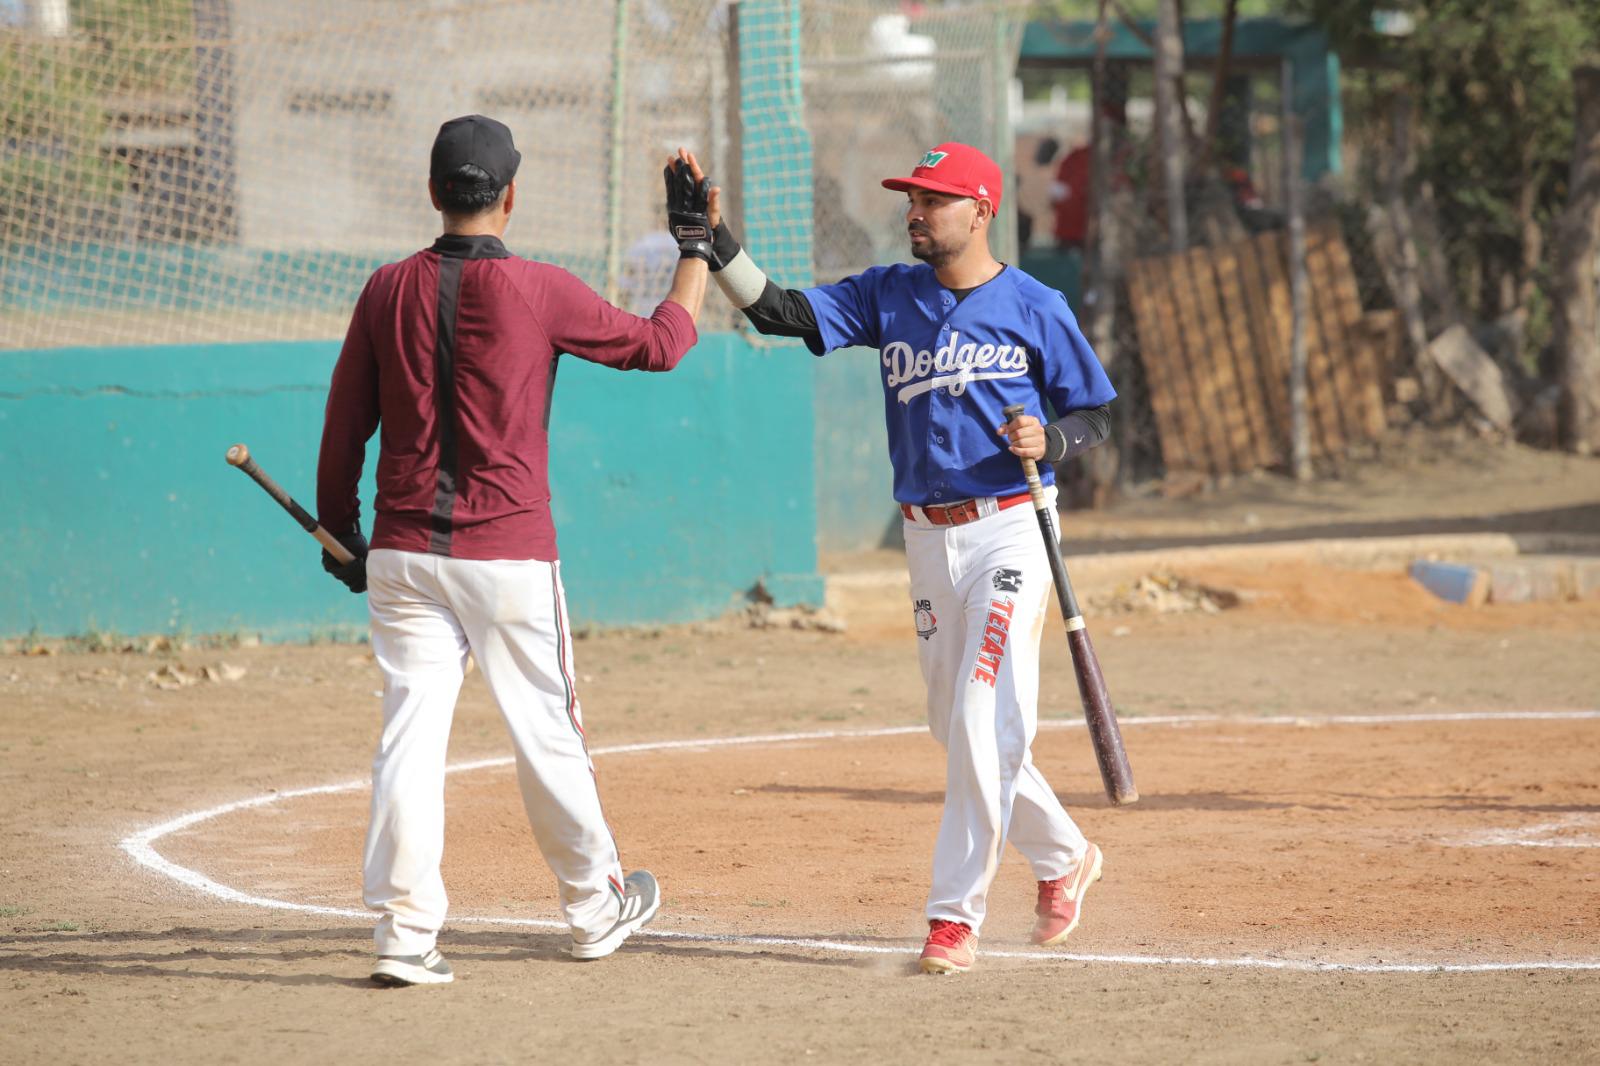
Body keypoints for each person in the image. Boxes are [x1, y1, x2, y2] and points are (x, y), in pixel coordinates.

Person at [315, 115, 719, 986]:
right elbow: (662, 345)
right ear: (510, 197)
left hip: (402, 553)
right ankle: (593, 904)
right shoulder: (538, 287)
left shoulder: (385, 288)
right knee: (546, 731)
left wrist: (335, 528)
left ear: (432, 192)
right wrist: (695, 248)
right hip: (508, 555)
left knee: (407, 740)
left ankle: (403, 934)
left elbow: (347, 418)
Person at [696, 142, 1115, 974]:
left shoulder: (1035, 305)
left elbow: (1095, 414)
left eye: (933, 200)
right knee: (953, 723)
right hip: (927, 536)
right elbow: (781, 313)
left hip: (1008, 528)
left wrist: (1053, 437)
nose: (914, 213)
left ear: (981, 211)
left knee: (979, 713)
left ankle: (952, 917)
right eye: (911, 200)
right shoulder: (890, 294)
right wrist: (717, 244)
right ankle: (1064, 854)